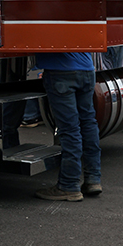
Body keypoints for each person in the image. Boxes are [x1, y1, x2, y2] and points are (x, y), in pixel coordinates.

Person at [34, 52, 100, 202]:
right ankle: (93, 179)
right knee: (88, 123)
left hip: (60, 70)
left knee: (70, 129)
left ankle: (69, 185)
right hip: (86, 68)